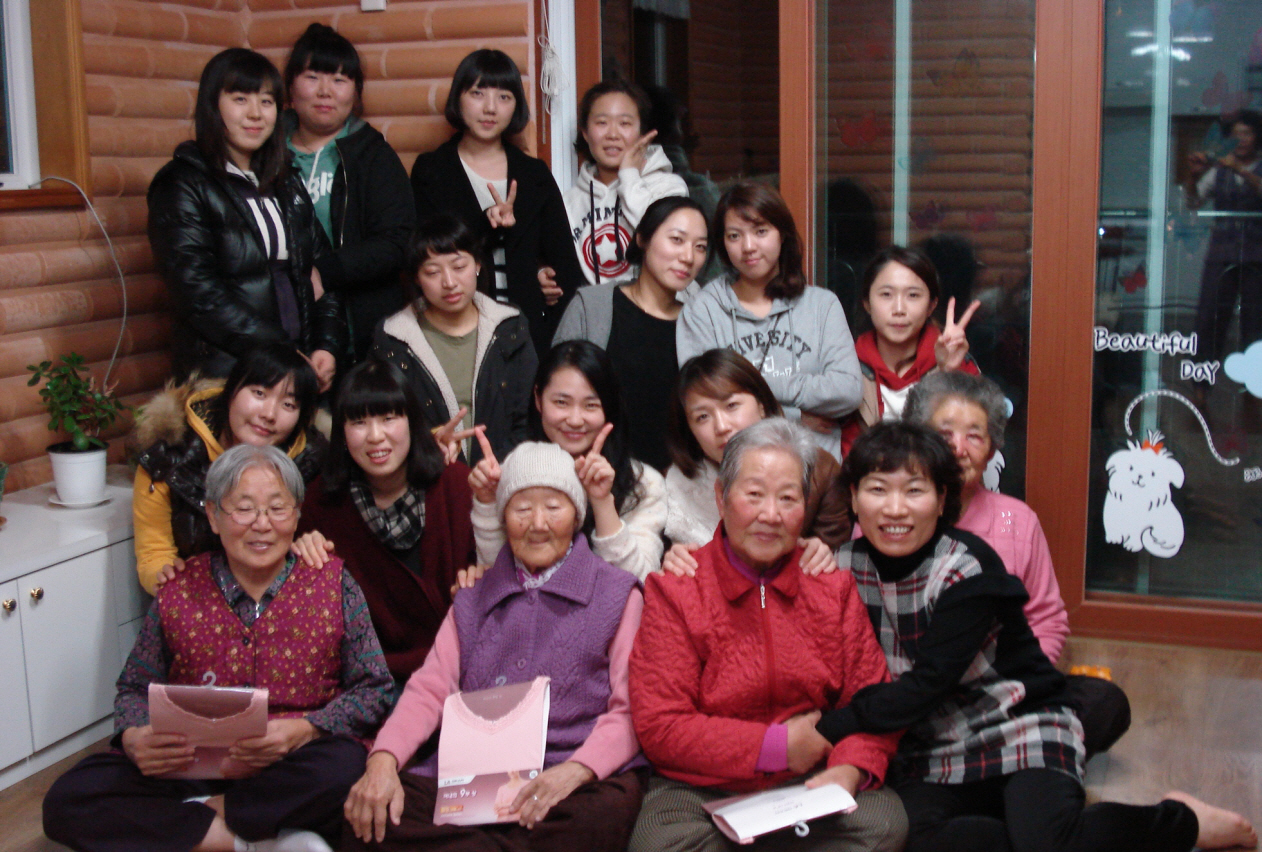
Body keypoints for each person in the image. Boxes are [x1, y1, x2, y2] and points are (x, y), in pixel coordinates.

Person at [820, 421, 1257, 852]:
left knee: (1051, 841)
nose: (895, 509)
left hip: (1017, 723)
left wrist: (822, 729)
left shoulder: (968, 567)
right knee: (917, 839)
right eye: (877, 489)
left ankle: (1182, 821)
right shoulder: (841, 564)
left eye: (914, 491)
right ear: (854, 498)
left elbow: (926, 686)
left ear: (942, 500)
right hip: (928, 745)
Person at [43, 444, 394, 852]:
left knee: (346, 768)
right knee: (70, 798)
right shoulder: (178, 588)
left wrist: (306, 729)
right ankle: (249, 839)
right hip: (190, 765)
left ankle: (195, 822)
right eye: (243, 509)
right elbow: (134, 687)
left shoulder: (333, 582)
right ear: (212, 515)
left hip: (292, 764)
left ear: (297, 514)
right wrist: (134, 737)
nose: (262, 524)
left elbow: (375, 687)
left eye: (277, 509)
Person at [341, 441, 646, 852]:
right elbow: (429, 688)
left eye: (553, 507)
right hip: (473, 777)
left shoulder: (617, 593)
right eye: (522, 508)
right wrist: (384, 759)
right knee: (372, 818)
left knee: (598, 818)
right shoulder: (473, 598)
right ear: (502, 517)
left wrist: (578, 769)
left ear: (577, 515)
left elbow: (631, 709)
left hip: (572, 772)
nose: (538, 523)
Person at [627, 418, 907, 852]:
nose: (770, 515)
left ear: (805, 506)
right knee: (658, 842)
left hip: (812, 777)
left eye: (788, 498)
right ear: (721, 497)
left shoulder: (831, 586)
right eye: (754, 495)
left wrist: (851, 768)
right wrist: (774, 747)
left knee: (884, 823)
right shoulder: (677, 589)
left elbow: (872, 702)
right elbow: (661, 725)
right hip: (703, 786)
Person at [903, 371, 1130, 757]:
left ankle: (976, 755)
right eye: (944, 434)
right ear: (918, 441)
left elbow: (1046, 620)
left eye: (975, 436)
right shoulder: (892, 515)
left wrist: (1017, 688)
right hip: (917, 694)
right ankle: (1007, 755)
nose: (959, 449)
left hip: (1004, 690)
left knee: (1105, 701)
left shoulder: (1017, 520)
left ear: (992, 449)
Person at [147, 47, 344, 387]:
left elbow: (321, 272)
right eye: (240, 99)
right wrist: (280, 351)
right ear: (213, 106)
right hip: (225, 374)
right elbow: (198, 293)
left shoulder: (287, 182)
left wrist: (326, 345)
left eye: (266, 102)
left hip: (296, 367)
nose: (255, 114)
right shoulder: (182, 183)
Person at [293, 358, 475, 688]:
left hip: (467, 670)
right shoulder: (321, 505)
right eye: (359, 422)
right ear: (341, 431)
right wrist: (301, 555)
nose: (375, 436)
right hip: (375, 683)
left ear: (412, 422)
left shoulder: (457, 485)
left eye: (389, 418)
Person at [410, 49, 584, 355]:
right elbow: (422, 256)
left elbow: (565, 268)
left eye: (504, 97)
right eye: (477, 93)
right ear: (458, 98)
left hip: (529, 336)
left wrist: (541, 283)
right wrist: (486, 224)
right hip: (455, 334)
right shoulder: (432, 171)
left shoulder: (533, 174)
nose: (490, 108)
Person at [676, 182, 861, 461]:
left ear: (782, 234)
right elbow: (703, 401)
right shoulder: (703, 311)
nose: (748, 247)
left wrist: (754, 385)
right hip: (741, 470)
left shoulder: (821, 305)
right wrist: (795, 416)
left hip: (818, 472)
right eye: (734, 236)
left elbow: (847, 391)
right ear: (723, 243)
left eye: (760, 231)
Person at [131, 343, 324, 595]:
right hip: (195, 597)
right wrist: (167, 579)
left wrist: (312, 545)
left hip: (280, 599)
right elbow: (154, 552)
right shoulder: (168, 454)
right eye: (259, 393)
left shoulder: (311, 461)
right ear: (231, 389)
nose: (269, 414)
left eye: (288, 405)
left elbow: (316, 544)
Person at [468, 340, 666, 580]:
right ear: (538, 399)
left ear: (609, 408)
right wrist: (488, 501)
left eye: (591, 405)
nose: (574, 420)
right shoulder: (509, 474)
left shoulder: (644, 484)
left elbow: (640, 583)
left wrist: (602, 502)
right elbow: (495, 577)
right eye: (561, 402)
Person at [282, 24, 416, 363]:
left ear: (355, 92)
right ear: (290, 86)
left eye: (339, 80)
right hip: (280, 326)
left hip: (360, 331)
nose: (325, 91)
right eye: (312, 77)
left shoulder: (372, 155)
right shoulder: (266, 154)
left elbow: (398, 241)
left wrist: (325, 271)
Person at [553, 196, 710, 470]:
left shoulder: (700, 323)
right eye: (676, 239)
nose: (688, 257)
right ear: (642, 239)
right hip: (593, 473)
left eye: (700, 247)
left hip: (677, 482)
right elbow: (555, 397)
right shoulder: (592, 307)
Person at [662, 349, 850, 574]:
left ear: (761, 405)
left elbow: (837, 560)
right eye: (702, 417)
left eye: (731, 406)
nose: (721, 426)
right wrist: (672, 560)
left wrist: (822, 553)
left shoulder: (821, 469)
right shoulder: (672, 487)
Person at [372, 213, 538, 466]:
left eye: (459, 267)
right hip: (431, 476)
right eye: (432, 272)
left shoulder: (510, 327)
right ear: (417, 278)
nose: (449, 282)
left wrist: (496, 470)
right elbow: (384, 421)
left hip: (505, 475)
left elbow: (528, 417)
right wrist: (428, 448)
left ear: (478, 264)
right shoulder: (393, 339)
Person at [841, 245, 980, 454]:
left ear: (931, 306)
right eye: (886, 294)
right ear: (867, 303)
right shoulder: (846, 367)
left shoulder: (958, 362)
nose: (899, 309)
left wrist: (949, 372)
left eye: (913, 295)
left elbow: (975, 442)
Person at [560, 79, 688, 287]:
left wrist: (629, 176)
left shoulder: (669, 188)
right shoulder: (569, 202)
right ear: (585, 132)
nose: (612, 134)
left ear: (643, 133)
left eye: (625, 123)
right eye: (602, 123)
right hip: (596, 306)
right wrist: (544, 273)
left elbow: (664, 241)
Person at [1185, 110, 1262, 364]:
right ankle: (1201, 377)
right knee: (1210, 315)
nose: (1241, 139)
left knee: (1255, 320)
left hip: (1257, 254)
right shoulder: (1217, 170)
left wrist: (1240, 170)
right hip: (1221, 252)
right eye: (1235, 134)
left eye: (1247, 133)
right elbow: (1193, 202)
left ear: (1257, 137)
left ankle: (1254, 382)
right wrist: (1193, 176)